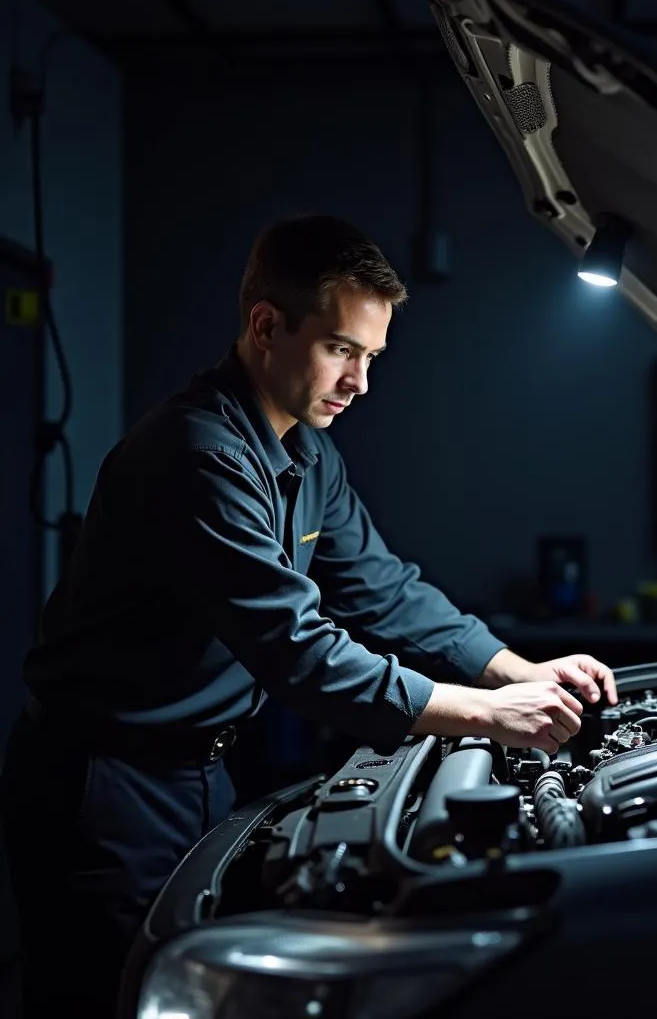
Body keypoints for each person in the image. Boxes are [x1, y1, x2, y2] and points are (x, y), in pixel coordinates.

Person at [0, 215, 618, 1018]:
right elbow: (299, 650)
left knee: (182, 988)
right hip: (107, 785)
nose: (360, 382)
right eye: (341, 349)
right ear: (266, 326)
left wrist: (517, 669)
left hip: (200, 772)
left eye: (371, 357)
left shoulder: (308, 450)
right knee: (114, 1001)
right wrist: (488, 714)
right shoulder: (198, 455)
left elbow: (384, 588)